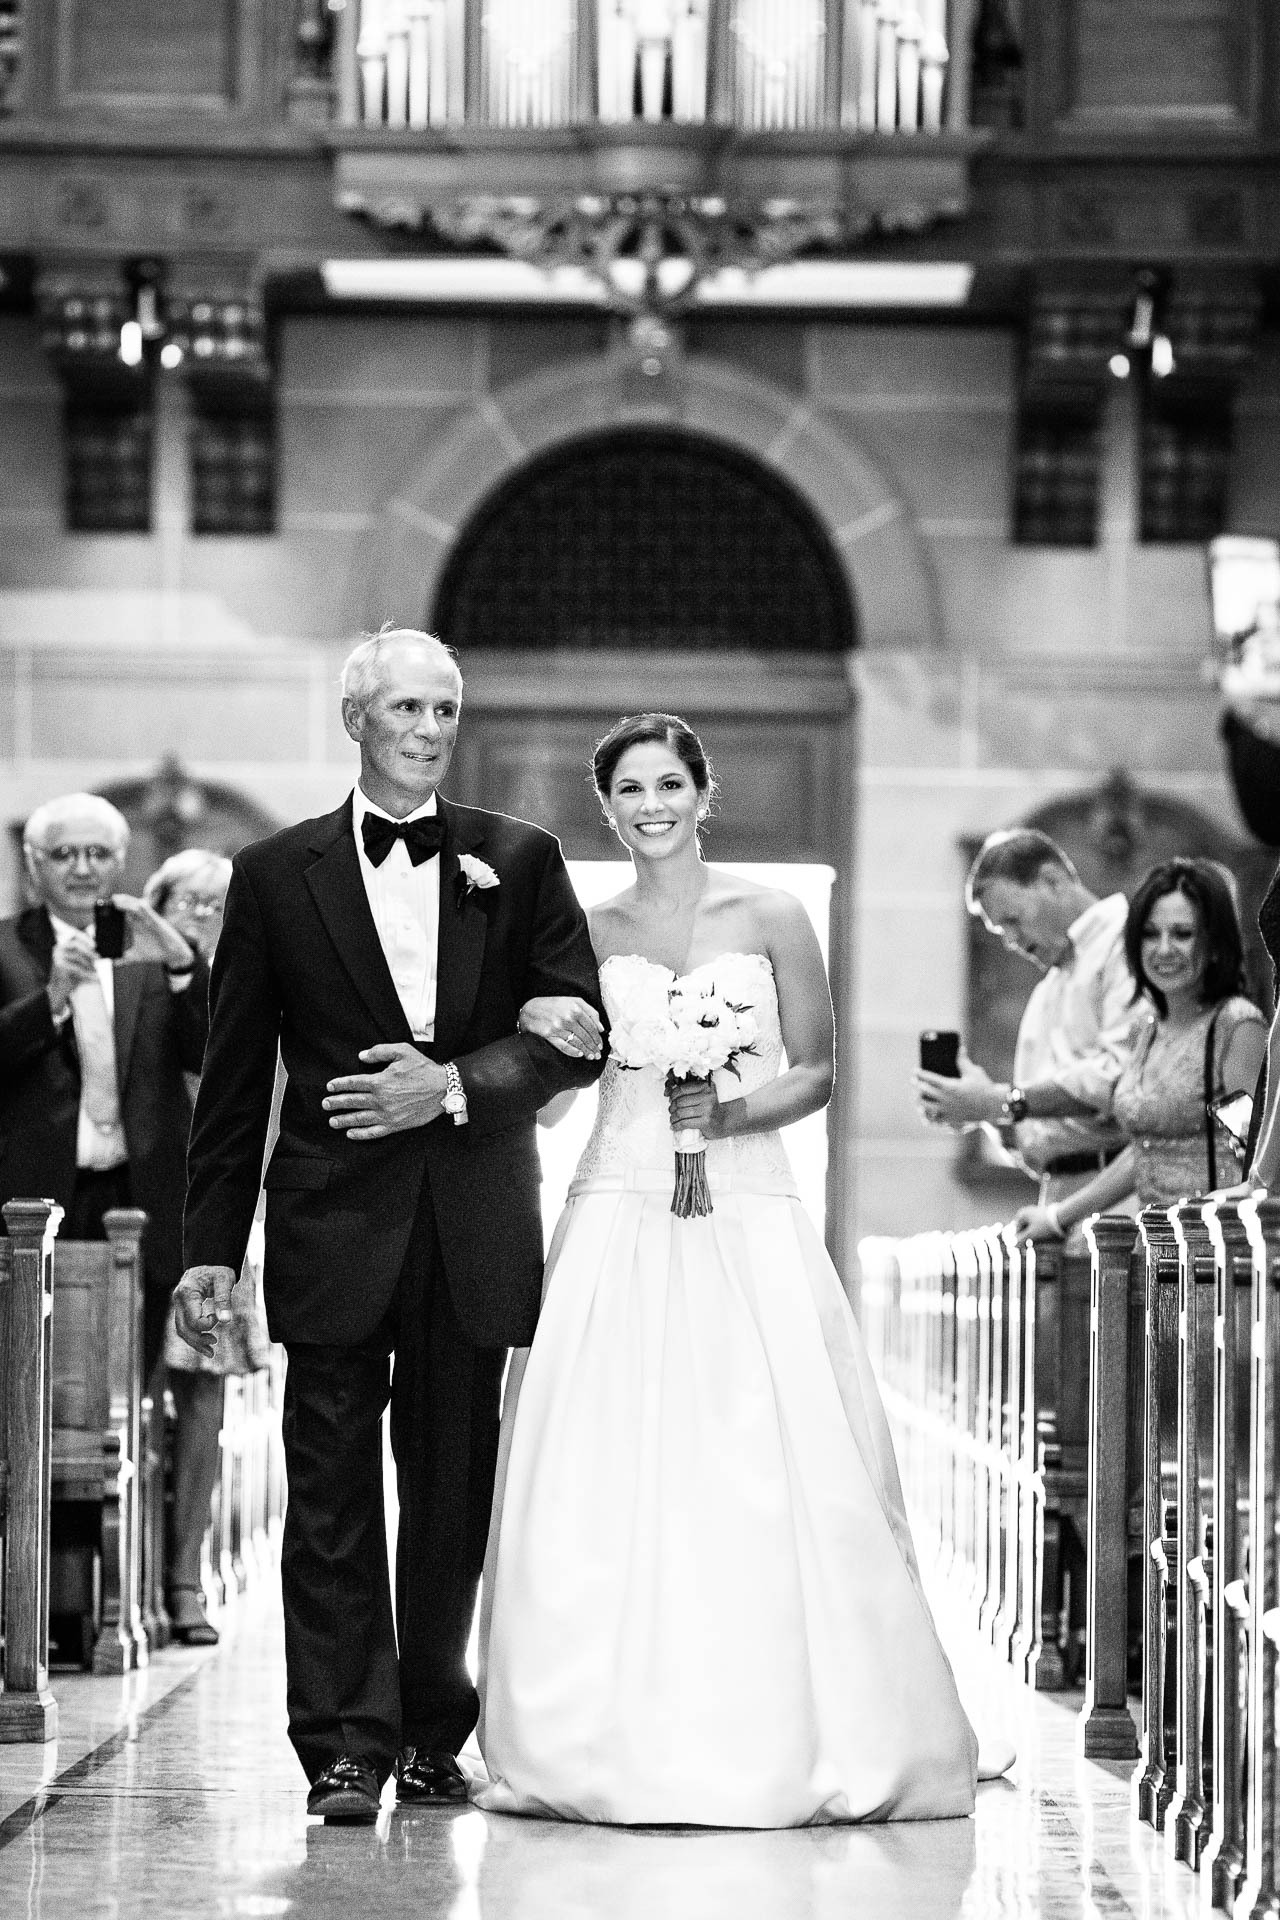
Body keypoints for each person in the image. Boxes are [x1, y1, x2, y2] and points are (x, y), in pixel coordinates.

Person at [474, 713, 986, 1828]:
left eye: (668, 783)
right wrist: (542, 1027)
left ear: (700, 794)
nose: (649, 804)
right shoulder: (584, 927)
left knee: (769, 1450)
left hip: (745, 1207)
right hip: (616, 1205)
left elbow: (816, 1071)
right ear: (602, 807)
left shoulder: (772, 913)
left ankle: (789, 1718)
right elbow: (559, 1095)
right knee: (597, 1458)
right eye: (627, 789)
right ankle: (586, 1725)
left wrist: (728, 1107)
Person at [175, 627, 606, 1825]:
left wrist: (456, 1083)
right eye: (407, 708)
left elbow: (578, 1032)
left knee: (452, 1490)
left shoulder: (518, 859)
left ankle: (429, 1730)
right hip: (327, 1222)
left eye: (446, 711)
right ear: (356, 716)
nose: (428, 730)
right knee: (327, 1498)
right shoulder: (272, 873)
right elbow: (233, 1074)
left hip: (472, 1218)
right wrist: (211, 1249)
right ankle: (341, 1748)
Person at [0, 792, 209, 1382]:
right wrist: (51, 1001)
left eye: (98, 852)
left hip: (142, 1192)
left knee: (131, 1378)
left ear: (120, 860)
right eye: (64, 853)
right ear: (32, 860)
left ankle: (132, 1471)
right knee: (32, 1374)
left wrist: (184, 969)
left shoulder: (150, 945)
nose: (82, 867)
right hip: (34, 1200)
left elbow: (209, 1056)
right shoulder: (5, 946)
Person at [144, 849, 270, 1647]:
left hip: (216, 1221)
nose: (200, 914)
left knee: (201, 1402)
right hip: (134, 1211)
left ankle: (185, 1578)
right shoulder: (127, 979)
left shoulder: (244, 986)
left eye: (216, 903)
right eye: (184, 900)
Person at [1010, 858, 1266, 1244]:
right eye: (1150, 933)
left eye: (1182, 934)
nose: (1164, 949)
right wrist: (1059, 1216)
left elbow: (1255, 1157)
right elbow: (1144, 1152)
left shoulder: (1233, 1026)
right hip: (1155, 1251)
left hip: (1214, 1255)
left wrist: (1203, 1218)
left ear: (1214, 944)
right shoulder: (1148, 1032)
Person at [915, 829, 1136, 1239]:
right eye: (1001, 933)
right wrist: (988, 1112)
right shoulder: (1049, 987)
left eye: (1013, 921)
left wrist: (1002, 1100)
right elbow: (1040, 1138)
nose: (1012, 942)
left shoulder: (1125, 941)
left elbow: (1121, 1080)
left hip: (1119, 1196)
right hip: (1058, 1197)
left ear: (1052, 880)